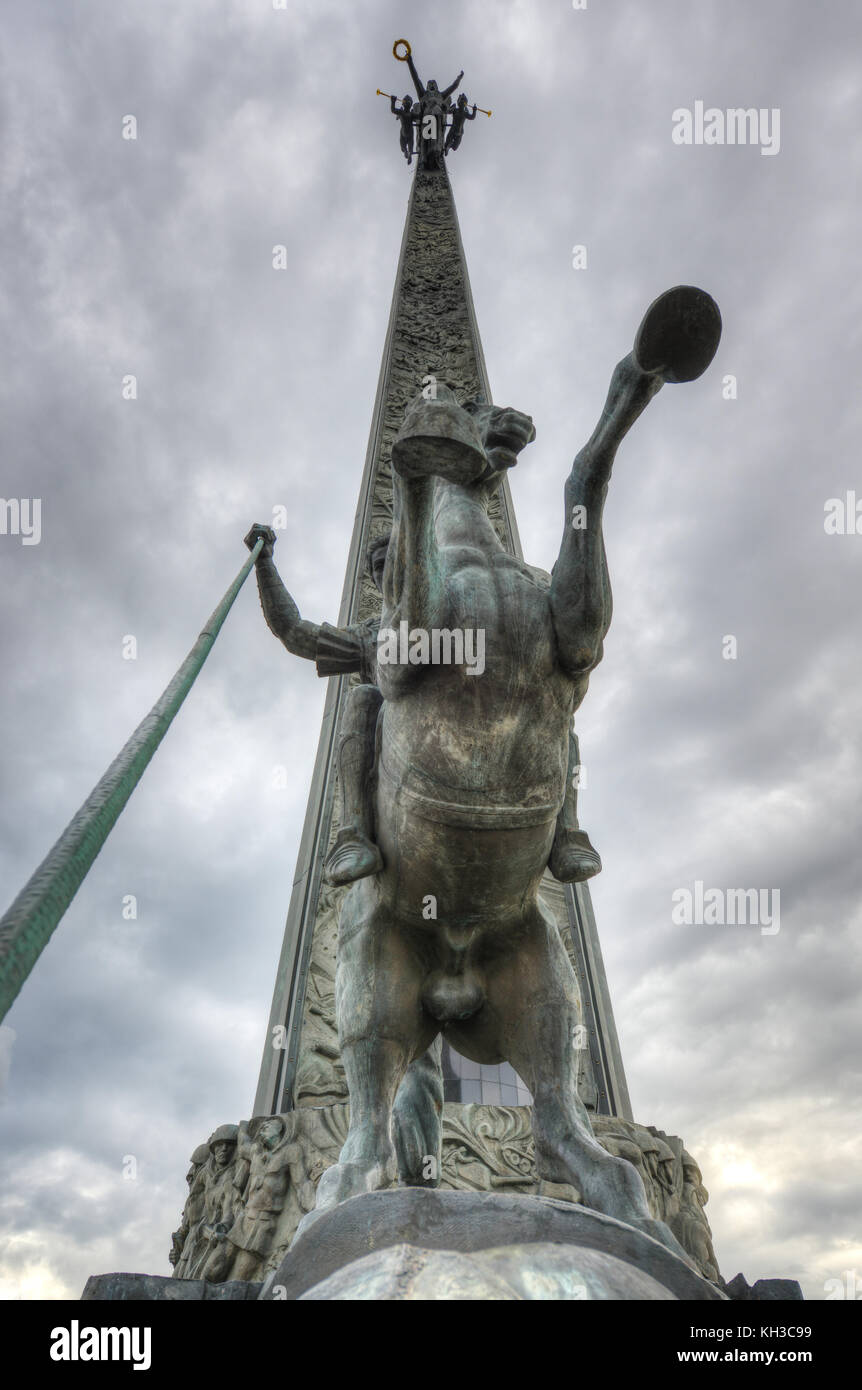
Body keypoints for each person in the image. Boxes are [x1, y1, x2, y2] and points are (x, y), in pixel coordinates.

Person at [389, 93, 416, 164]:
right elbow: (393, 110)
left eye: (408, 102)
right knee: (403, 147)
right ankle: (406, 151)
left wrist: (422, 109)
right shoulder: (401, 112)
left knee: (410, 146)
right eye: (406, 101)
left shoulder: (411, 114)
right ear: (403, 104)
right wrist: (393, 101)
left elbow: (419, 116)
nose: (407, 103)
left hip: (409, 133)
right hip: (403, 133)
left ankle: (409, 154)